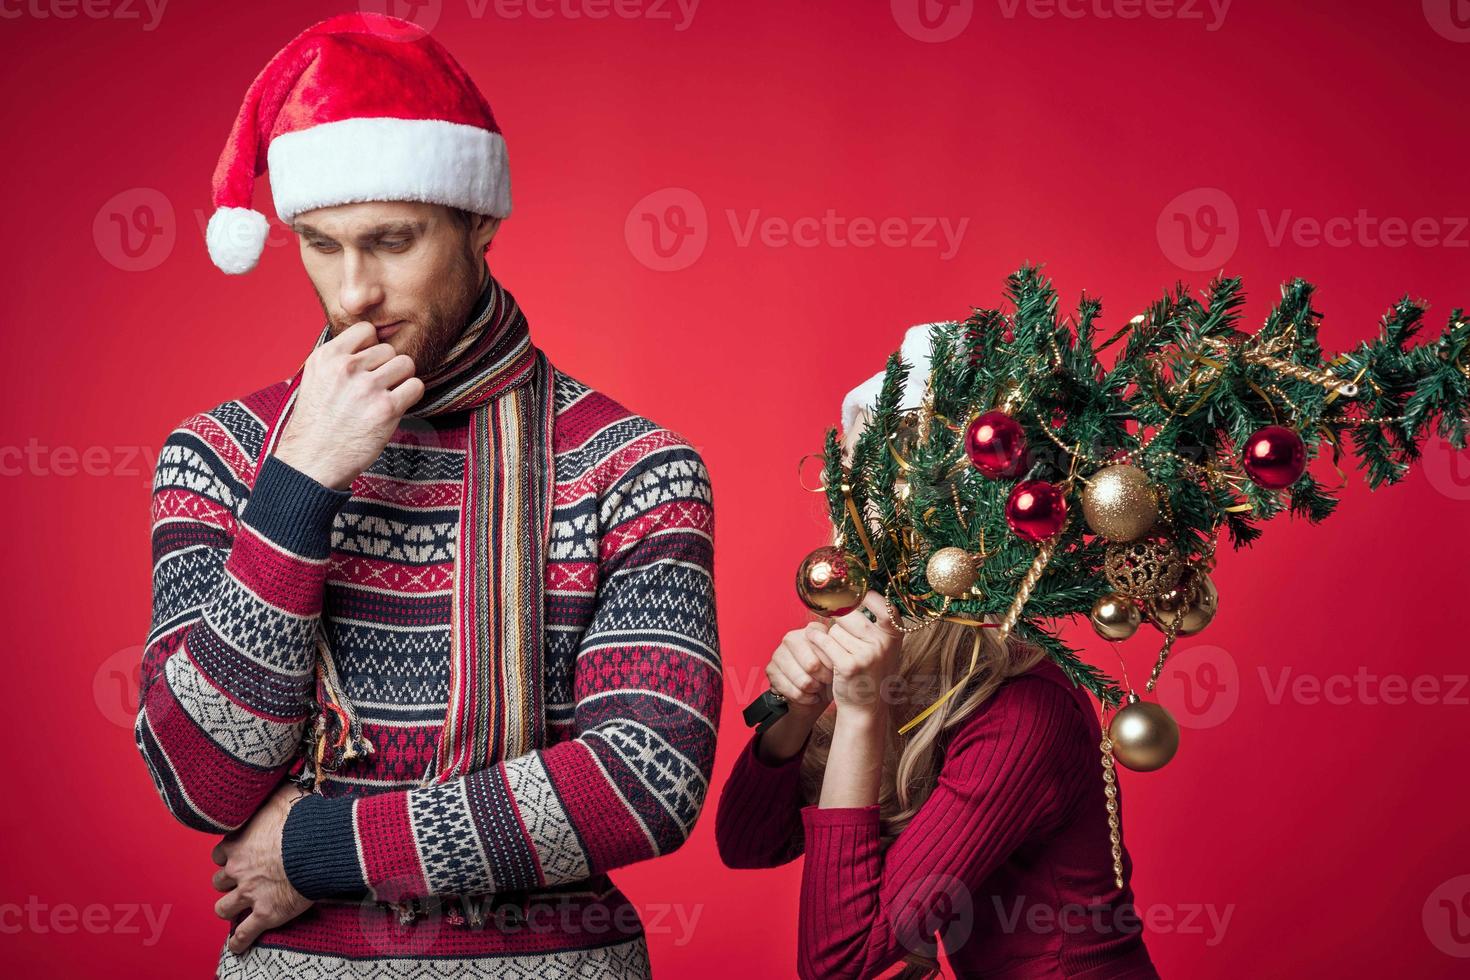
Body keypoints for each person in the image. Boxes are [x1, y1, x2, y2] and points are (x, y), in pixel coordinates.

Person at [134, 13, 720, 978]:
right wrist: (298, 487)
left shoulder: (635, 466)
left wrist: (318, 851)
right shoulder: (224, 455)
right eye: (320, 245)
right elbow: (200, 778)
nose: (354, 290)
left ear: (479, 220)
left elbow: (642, 779)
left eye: (392, 241)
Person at [714, 326, 1158, 979]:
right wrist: (795, 721)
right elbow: (749, 845)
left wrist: (861, 716)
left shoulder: (1023, 711)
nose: (885, 525)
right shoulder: (899, 661)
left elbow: (840, 966)